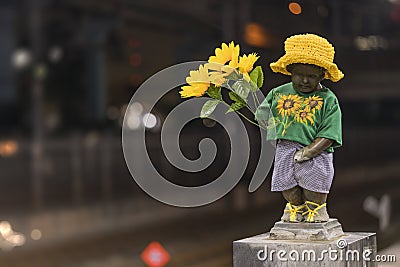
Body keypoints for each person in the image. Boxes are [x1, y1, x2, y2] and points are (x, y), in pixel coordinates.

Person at [255, 33, 344, 223]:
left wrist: (310, 151)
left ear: (322, 75)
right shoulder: (278, 93)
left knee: (315, 184)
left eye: (311, 76)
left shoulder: (328, 100)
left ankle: (316, 210)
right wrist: (269, 125)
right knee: (286, 184)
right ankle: (295, 208)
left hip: (316, 152)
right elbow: (263, 115)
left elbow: (330, 132)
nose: (304, 81)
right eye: (299, 75)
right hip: (285, 149)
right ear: (290, 71)